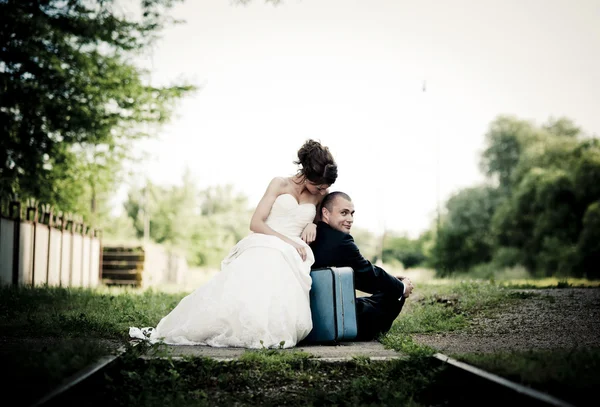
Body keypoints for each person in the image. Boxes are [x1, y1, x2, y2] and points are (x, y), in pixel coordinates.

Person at [129, 139, 337, 349]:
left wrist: (313, 224)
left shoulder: (320, 194)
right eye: (318, 186)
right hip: (267, 238)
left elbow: (322, 218)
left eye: (325, 188)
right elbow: (256, 223)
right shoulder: (280, 184)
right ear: (307, 173)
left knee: (280, 262)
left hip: (294, 250)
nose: (321, 191)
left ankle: (264, 324)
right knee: (269, 258)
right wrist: (288, 243)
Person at [309, 191, 414, 341]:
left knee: (383, 289)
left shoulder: (314, 235)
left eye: (352, 214)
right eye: (344, 213)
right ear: (325, 213)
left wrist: (392, 281)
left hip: (314, 314)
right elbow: (368, 274)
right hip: (334, 320)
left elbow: (360, 278)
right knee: (393, 294)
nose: (350, 219)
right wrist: (401, 287)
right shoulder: (341, 240)